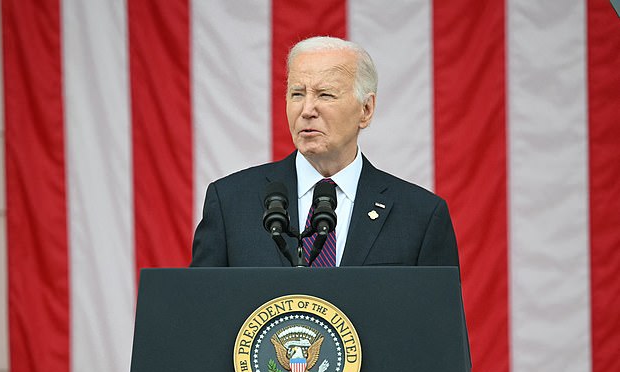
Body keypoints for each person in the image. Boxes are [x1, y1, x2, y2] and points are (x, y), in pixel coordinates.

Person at [190, 36, 459, 268]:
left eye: (325, 95)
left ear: (366, 110)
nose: (307, 110)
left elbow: (439, 325)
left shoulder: (420, 216)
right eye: (297, 94)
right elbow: (201, 318)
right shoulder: (230, 204)